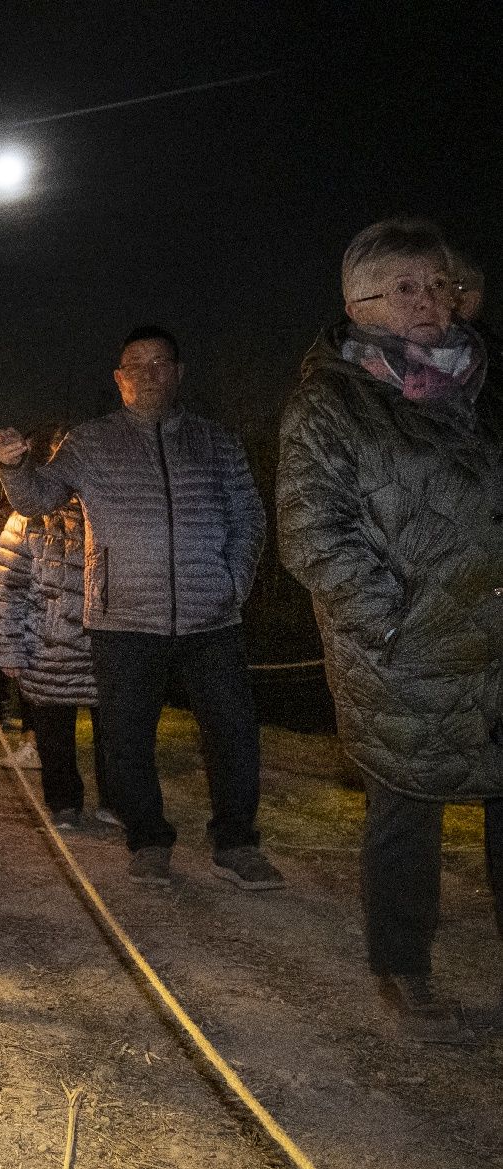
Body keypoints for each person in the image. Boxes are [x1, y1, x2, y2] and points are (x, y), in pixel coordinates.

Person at [276, 218, 503, 1041]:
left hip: (498, 642)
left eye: (440, 283)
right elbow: (313, 532)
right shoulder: (332, 399)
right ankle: (404, 968)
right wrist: (394, 625)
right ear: (360, 301)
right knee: (406, 813)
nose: (430, 300)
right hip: (405, 651)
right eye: (408, 286)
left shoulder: (488, 378)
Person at [0, 325, 278, 891]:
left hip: (211, 617)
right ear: (118, 380)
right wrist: (13, 464)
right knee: (125, 737)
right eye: (133, 366)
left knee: (234, 731)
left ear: (178, 371)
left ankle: (237, 841)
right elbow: (37, 499)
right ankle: (147, 839)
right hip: (122, 620)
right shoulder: (89, 444)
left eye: (158, 362)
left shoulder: (218, 443)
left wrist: (233, 582)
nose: (146, 373)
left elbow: (250, 518)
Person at [0, 423, 110, 830]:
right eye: (59, 454)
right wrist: (8, 649)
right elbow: (8, 586)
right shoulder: (28, 518)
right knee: (55, 736)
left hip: (107, 647)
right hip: (49, 647)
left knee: (117, 733)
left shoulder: (112, 511)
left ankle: (118, 801)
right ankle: (64, 805)